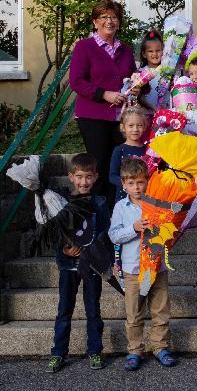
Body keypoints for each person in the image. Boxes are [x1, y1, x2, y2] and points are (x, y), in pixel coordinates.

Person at [109, 157, 176, 371]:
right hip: (133, 269)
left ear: (147, 181)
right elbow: (114, 235)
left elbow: (170, 227)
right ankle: (135, 350)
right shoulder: (121, 207)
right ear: (123, 184)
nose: (136, 187)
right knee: (134, 312)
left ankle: (160, 347)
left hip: (157, 267)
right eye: (131, 183)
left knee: (160, 310)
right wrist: (134, 227)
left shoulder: (155, 202)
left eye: (140, 182)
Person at [45, 154, 110, 373]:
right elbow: (54, 231)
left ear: (95, 177)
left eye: (88, 177)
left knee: (93, 310)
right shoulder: (61, 203)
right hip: (67, 265)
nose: (84, 182)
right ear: (71, 177)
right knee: (65, 309)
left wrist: (91, 250)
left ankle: (95, 350)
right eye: (79, 177)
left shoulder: (100, 202)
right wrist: (63, 247)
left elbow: (103, 232)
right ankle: (58, 353)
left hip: (91, 265)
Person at [69, 0, 138, 202]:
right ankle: (98, 219)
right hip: (93, 115)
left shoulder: (125, 49)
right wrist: (104, 94)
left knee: (119, 166)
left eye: (114, 17)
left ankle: (117, 216)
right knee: (99, 166)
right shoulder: (84, 46)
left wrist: (137, 88)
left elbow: (132, 77)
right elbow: (77, 81)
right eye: (104, 17)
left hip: (121, 118)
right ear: (95, 21)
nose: (109, 21)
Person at [109, 106, 147, 203]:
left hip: (145, 199)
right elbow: (112, 176)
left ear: (145, 127)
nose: (135, 129)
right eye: (131, 125)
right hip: (124, 200)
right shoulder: (119, 150)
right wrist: (129, 185)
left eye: (139, 125)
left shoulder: (149, 150)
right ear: (123, 127)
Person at [135, 29, 167, 112]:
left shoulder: (168, 72)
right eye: (150, 51)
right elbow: (138, 96)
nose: (155, 54)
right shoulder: (140, 73)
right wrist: (153, 108)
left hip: (166, 116)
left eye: (158, 50)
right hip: (145, 116)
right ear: (144, 54)